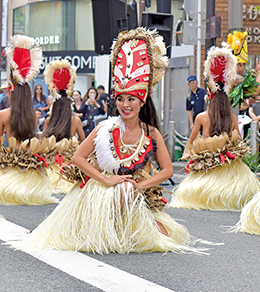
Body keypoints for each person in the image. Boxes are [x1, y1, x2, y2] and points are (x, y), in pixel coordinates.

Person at [14, 28, 201, 254]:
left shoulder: (151, 132)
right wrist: (106, 180)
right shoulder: (105, 127)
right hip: (100, 191)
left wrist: (139, 185)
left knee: (161, 237)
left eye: (131, 99)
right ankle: (104, 227)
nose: (125, 104)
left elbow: (168, 170)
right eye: (120, 99)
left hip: (133, 193)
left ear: (142, 102)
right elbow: (78, 157)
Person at [169, 45, 260, 211]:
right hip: (226, 169)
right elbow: (239, 142)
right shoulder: (232, 117)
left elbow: (191, 143)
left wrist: (191, 160)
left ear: (209, 99)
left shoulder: (201, 117)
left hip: (207, 168)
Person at [0, 35, 58, 205]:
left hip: (10, 170)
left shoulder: (3, 114)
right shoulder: (32, 114)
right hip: (30, 170)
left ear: (12, 92)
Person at [42, 60, 85, 193]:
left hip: (49, 170)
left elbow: (42, 144)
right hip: (68, 170)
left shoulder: (48, 120)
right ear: (69, 103)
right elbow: (84, 143)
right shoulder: (75, 121)